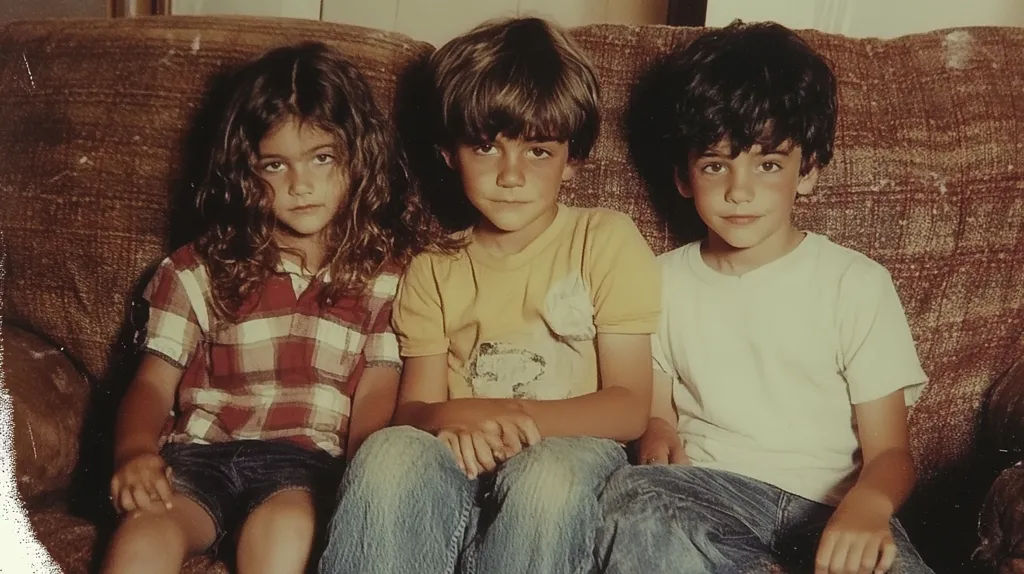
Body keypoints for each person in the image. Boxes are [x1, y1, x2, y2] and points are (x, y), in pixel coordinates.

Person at [318, 16, 661, 574]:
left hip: (569, 454)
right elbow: (414, 410)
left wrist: (509, 416)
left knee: (545, 476)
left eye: (538, 152)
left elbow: (627, 407)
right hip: (458, 453)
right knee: (388, 452)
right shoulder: (433, 265)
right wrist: (459, 421)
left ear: (573, 158)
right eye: (486, 148)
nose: (511, 175)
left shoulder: (604, 239)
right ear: (450, 155)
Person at [596, 21, 935, 574]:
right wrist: (656, 436)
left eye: (769, 164)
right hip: (707, 493)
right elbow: (655, 416)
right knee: (635, 506)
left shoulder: (855, 282)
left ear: (810, 170)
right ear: (683, 175)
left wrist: (869, 507)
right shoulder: (654, 281)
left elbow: (892, 455)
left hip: (833, 509)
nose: (739, 189)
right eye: (715, 164)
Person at [101, 41, 445, 574]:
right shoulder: (194, 270)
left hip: (305, 468)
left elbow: (378, 391)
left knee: (283, 530)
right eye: (274, 165)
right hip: (198, 459)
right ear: (244, 171)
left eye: (322, 158)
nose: (299, 185)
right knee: (145, 531)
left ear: (359, 158)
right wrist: (134, 453)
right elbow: (151, 383)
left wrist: (363, 483)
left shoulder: (386, 277)